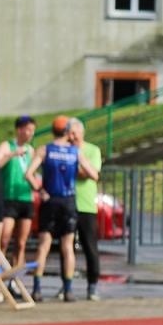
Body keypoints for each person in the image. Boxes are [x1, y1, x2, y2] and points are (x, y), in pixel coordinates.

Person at [24, 115, 97, 303]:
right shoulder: (75, 152)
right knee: (67, 247)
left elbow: (28, 174)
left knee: (44, 246)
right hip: (68, 201)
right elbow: (93, 174)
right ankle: (69, 289)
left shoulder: (44, 150)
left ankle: (37, 289)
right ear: (67, 132)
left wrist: (40, 189)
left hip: (50, 200)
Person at [0, 114, 39, 271]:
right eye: (28, 130)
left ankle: (15, 278)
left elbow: (32, 173)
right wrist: (11, 155)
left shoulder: (30, 150)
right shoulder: (7, 146)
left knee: (21, 243)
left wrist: (37, 188)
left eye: (32, 130)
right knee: (4, 239)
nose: (30, 133)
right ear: (19, 130)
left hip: (25, 199)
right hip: (8, 198)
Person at [69, 118, 104, 301]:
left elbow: (89, 174)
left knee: (90, 246)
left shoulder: (92, 150)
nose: (72, 137)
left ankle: (92, 285)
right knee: (67, 247)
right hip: (68, 203)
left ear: (82, 133)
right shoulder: (65, 149)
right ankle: (66, 285)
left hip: (86, 205)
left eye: (75, 133)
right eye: (70, 133)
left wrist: (75, 169)